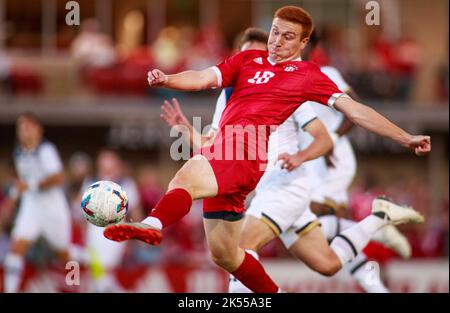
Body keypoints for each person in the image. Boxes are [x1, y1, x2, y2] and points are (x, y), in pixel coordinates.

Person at [104, 6, 430, 293]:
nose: (276, 41)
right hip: (235, 164)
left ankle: (152, 224)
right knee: (227, 255)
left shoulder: (306, 76)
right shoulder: (247, 62)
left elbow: (355, 111)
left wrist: (405, 137)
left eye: (288, 37)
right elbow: (204, 77)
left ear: (304, 44)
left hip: (248, 156)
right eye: (274, 32)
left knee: (186, 178)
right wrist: (168, 80)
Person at [2, 112, 72, 293]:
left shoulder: (46, 150)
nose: (23, 131)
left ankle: (76, 284)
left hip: (52, 207)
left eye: (27, 126)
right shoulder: (19, 153)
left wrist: (31, 185)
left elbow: (58, 178)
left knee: (64, 254)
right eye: (20, 127)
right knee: (16, 247)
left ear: (38, 130)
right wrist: (10, 202)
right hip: (31, 205)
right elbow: (21, 182)